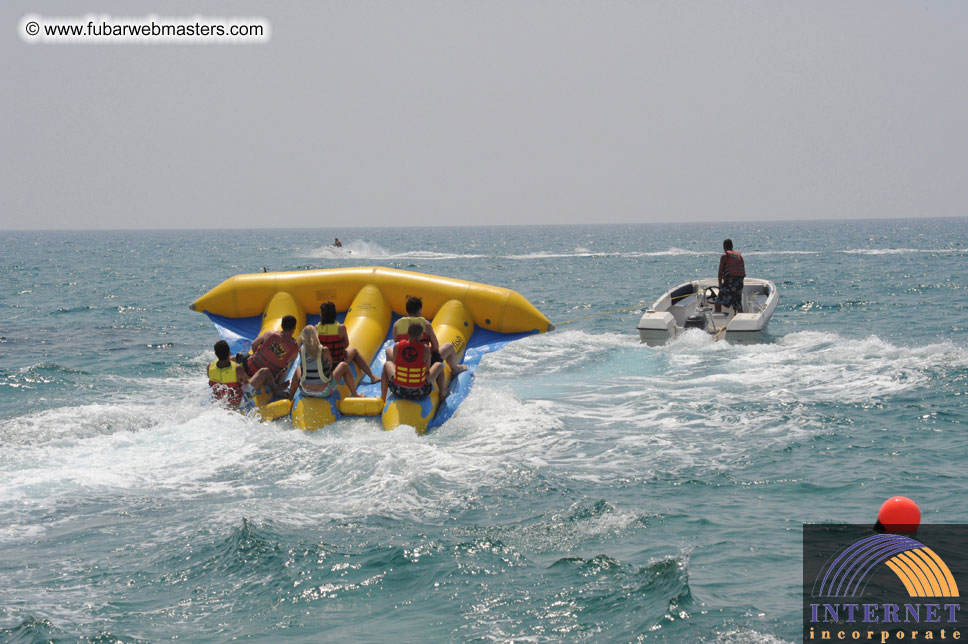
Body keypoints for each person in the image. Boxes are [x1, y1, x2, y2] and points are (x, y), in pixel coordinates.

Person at [385, 296, 468, 379]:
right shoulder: (426, 324)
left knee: (389, 350)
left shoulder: (397, 325)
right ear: (419, 310)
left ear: (407, 310)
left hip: (404, 360)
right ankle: (455, 368)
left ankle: (395, 373)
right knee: (448, 346)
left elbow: (397, 343)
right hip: (423, 362)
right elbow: (436, 347)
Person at [287, 325, 359, 400]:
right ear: (316, 336)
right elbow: (330, 366)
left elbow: (304, 367)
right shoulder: (324, 350)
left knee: (298, 369)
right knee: (344, 365)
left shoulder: (301, 351)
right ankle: (355, 394)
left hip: (305, 391)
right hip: (324, 391)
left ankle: (290, 397)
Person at [316, 301, 380, 384]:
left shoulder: (316, 328)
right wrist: (341, 351)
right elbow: (346, 344)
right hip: (338, 362)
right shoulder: (341, 328)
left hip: (325, 365)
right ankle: (372, 377)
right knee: (354, 351)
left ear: (322, 315)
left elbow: (317, 347)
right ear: (334, 313)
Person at [235, 314, 300, 395]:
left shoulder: (270, 334)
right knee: (285, 369)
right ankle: (277, 386)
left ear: (282, 325)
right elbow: (291, 359)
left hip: (250, 367)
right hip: (269, 377)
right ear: (294, 329)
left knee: (241, 355)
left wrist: (257, 355)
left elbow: (254, 345)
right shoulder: (294, 348)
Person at [381, 321, 445, 401]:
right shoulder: (426, 349)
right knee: (439, 365)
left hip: (398, 390)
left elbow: (395, 364)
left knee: (387, 364)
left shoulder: (397, 346)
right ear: (421, 335)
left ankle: (383, 398)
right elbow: (427, 371)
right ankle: (442, 394)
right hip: (419, 392)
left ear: (408, 333)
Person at [208, 340, 248, 407]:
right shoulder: (237, 368)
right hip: (236, 404)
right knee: (264, 371)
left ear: (216, 354)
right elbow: (246, 382)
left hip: (218, 403)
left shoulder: (210, 367)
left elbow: (210, 383)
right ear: (229, 352)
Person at [715, 238, 745, 314]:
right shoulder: (738, 255)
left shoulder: (725, 256)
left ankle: (717, 321)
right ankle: (742, 320)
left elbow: (720, 273)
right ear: (732, 246)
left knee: (718, 303)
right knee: (738, 305)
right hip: (739, 284)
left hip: (729, 284)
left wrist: (720, 285)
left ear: (724, 247)